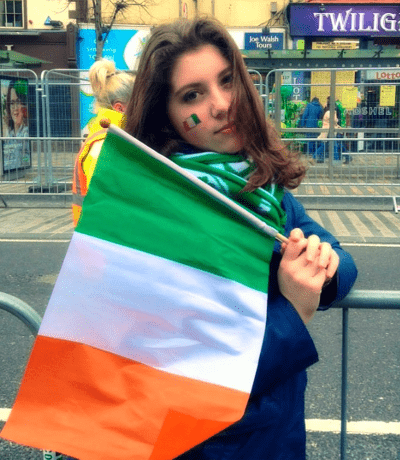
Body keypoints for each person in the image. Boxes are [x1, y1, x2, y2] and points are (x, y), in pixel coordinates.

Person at [123, 17, 357, 459]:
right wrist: (293, 308)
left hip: (277, 436)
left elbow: (343, 261)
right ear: (165, 116)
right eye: (193, 94)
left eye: (228, 81)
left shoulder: (261, 185)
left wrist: (317, 273)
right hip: (211, 444)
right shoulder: (159, 213)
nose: (222, 104)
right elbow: (192, 373)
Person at [72, 58, 135, 226]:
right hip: (101, 235)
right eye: (138, 104)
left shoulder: (116, 137)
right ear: (120, 108)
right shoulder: (104, 145)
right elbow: (109, 200)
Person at [3, 79, 30, 172]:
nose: (15, 108)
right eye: (11, 103)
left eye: (18, 102)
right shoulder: (9, 134)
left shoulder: (25, 134)